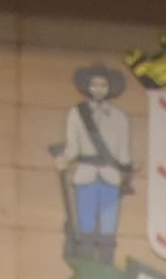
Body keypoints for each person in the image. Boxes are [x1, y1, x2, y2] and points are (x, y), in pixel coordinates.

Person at [56, 60, 133, 258]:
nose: (98, 89)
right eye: (94, 84)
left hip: (111, 175)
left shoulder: (120, 117)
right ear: (88, 86)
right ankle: (86, 258)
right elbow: (73, 147)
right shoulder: (76, 114)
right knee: (86, 222)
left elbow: (123, 153)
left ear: (109, 87)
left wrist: (127, 170)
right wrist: (64, 160)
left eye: (103, 85)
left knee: (108, 224)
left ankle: (107, 260)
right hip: (86, 173)